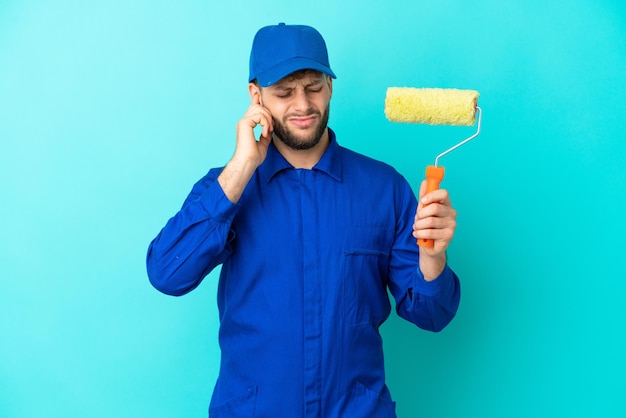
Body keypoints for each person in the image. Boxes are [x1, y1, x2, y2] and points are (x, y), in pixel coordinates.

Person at [147, 22, 460, 418]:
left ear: (329, 85)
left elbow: (431, 315)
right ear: (255, 96)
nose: (303, 105)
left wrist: (434, 257)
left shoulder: (385, 189)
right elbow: (166, 273)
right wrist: (242, 166)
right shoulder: (227, 187)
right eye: (283, 93)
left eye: (313, 87)